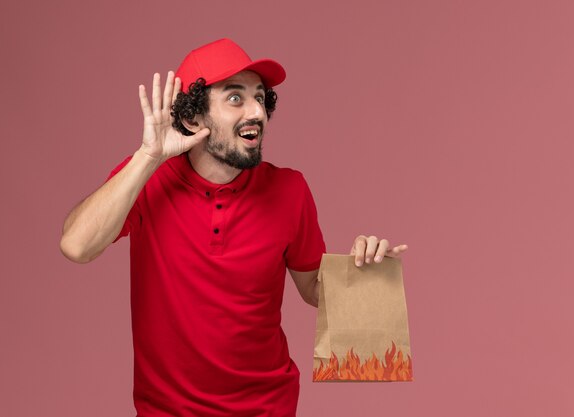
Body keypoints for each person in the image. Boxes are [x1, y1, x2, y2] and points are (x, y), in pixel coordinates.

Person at [60, 38, 408, 417]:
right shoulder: (148, 180)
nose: (257, 110)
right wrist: (148, 157)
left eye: (260, 97)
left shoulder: (290, 190)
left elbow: (312, 288)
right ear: (193, 117)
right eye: (235, 98)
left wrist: (360, 276)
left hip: (268, 408)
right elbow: (77, 246)